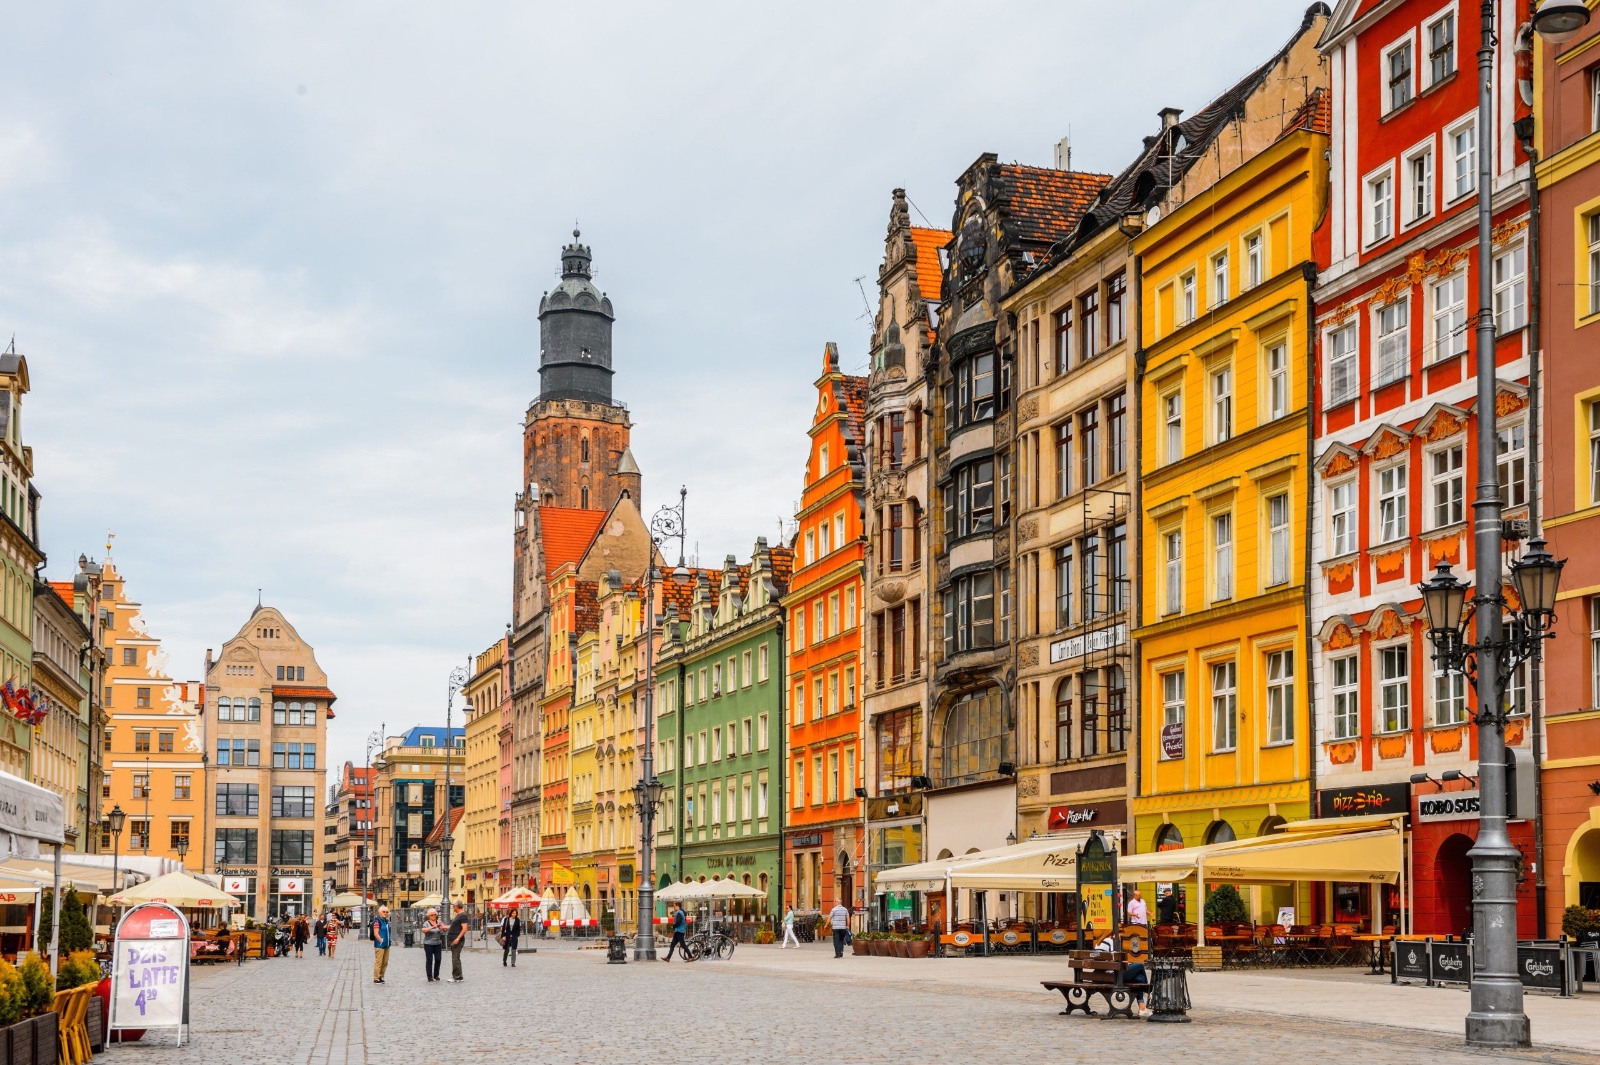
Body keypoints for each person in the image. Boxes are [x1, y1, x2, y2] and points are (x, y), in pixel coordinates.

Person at [1097, 932, 1149, 1015]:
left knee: (1139, 979)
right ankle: (1147, 989)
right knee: (1140, 966)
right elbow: (1115, 961)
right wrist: (1125, 963)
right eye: (1120, 933)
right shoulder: (1111, 941)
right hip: (1114, 974)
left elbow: (1111, 960)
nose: (1122, 935)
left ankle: (1142, 1007)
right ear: (1113, 933)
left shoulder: (1100, 942)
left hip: (1106, 974)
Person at [421, 908, 446, 982]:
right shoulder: (426, 923)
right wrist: (432, 927)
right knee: (429, 960)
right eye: (432, 915)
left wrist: (443, 928)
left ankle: (436, 975)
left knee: (438, 959)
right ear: (429, 916)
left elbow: (444, 929)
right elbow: (423, 930)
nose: (434, 916)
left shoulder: (439, 922)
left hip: (437, 943)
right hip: (428, 944)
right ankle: (429, 977)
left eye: (435, 914)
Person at [447, 901, 469, 982]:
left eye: (453, 906)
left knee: (455, 958)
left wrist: (457, 938)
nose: (453, 908)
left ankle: (456, 977)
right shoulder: (459, 915)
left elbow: (464, 928)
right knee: (455, 958)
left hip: (457, 940)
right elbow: (454, 926)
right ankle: (458, 976)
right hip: (454, 938)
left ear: (457, 906)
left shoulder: (462, 916)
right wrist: (445, 927)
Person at [371, 905, 391, 984]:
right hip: (380, 945)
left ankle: (381, 976)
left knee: (385, 962)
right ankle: (376, 978)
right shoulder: (377, 921)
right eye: (384, 912)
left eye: (387, 912)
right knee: (379, 962)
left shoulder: (386, 921)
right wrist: (381, 940)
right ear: (379, 912)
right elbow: (376, 933)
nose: (385, 913)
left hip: (387, 945)